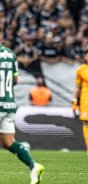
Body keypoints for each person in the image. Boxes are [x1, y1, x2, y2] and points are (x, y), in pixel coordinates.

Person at [0, 28, 44, 184]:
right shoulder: (11, 55)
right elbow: (16, 80)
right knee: (8, 141)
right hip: (9, 104)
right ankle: (33, 165)